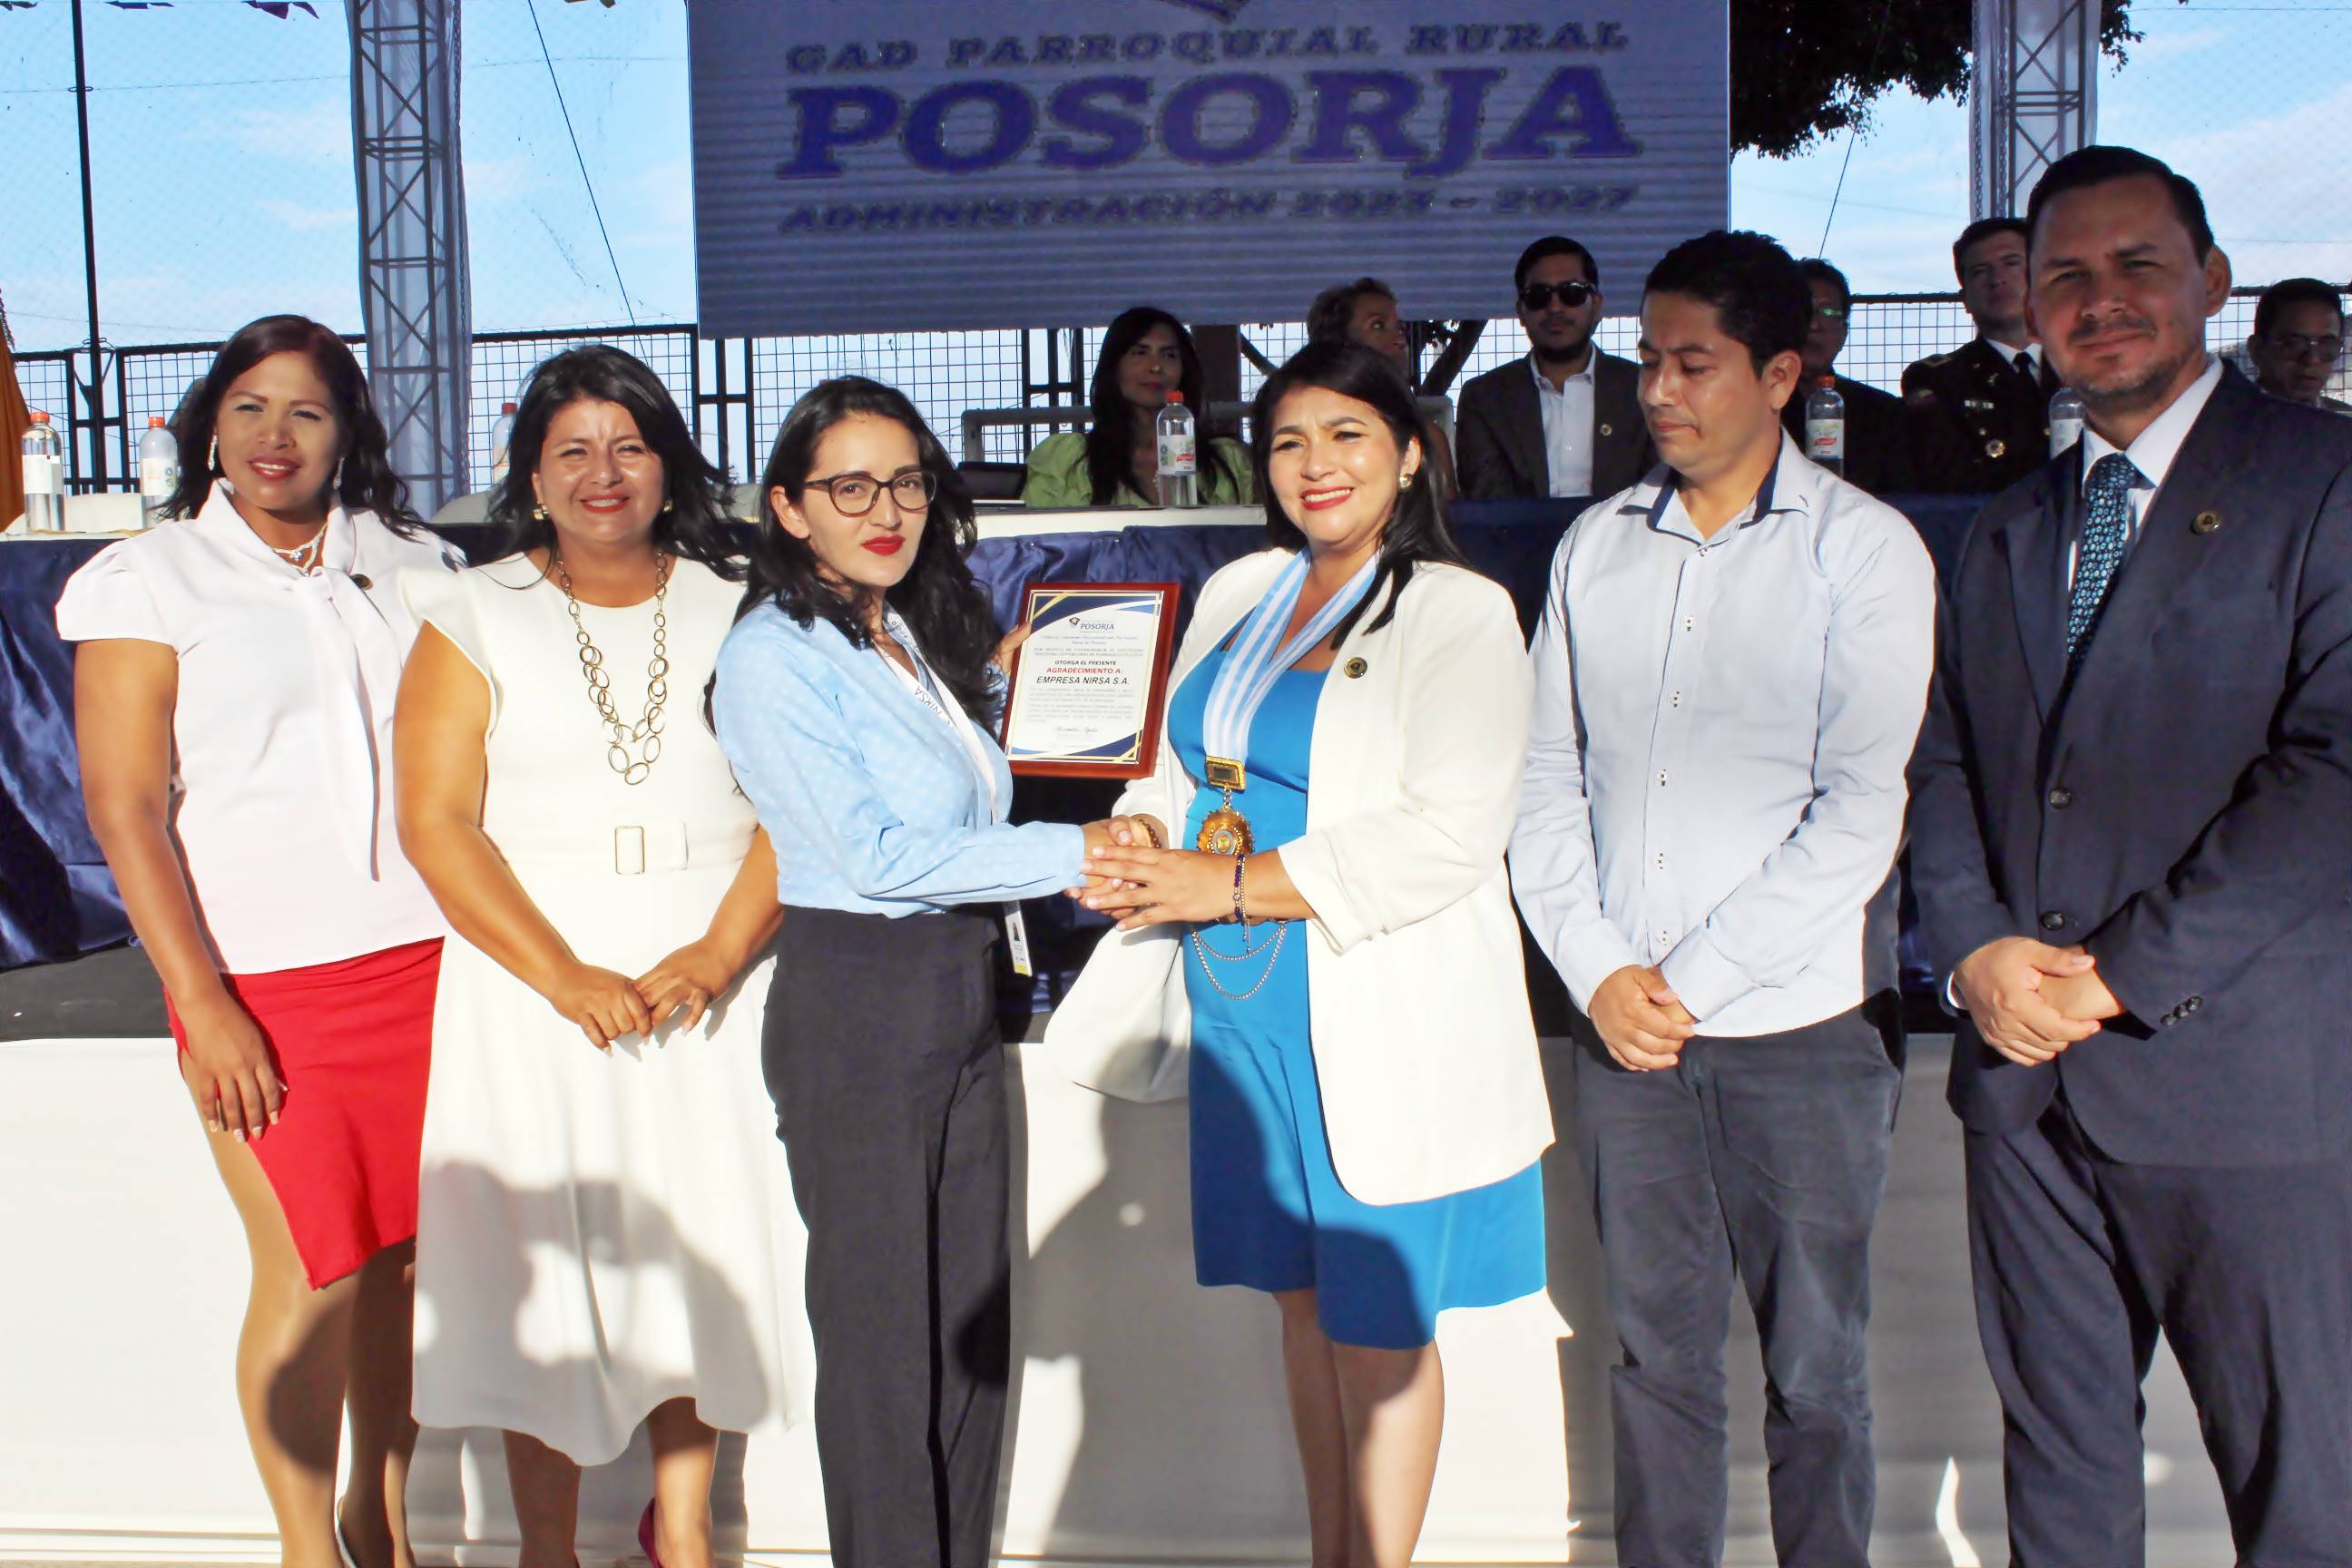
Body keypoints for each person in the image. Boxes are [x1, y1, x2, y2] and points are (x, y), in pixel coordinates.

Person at [1911, 144, 2352, 1565]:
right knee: (2062, 1489)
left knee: (2306, 1496)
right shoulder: (2011, 526)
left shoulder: (2328, 481)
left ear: (2213, 282)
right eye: (2066, 277)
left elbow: (2332, 773)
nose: (2100, 300)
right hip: (2025, 1090)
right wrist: (1976, 952)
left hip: (2251, 1092)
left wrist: (2114, 978)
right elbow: (1945, 761)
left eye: (2137, 266)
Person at [1049, 340, 1553, 1568]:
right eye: (1287, 441)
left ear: (1411, 454)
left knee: (1380, 1329)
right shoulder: (1243, 590)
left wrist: (1220, 883)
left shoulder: (1459, 611)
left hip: (1381, 1003)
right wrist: (1140, 836)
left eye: (1347, 435)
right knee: (1305, 1308)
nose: (1315, 464)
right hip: (1245, 1004)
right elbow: (1180, 769)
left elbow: (1449, 835)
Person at [1512, 230, 1936, 1567]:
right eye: (1648, 359)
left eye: (1693, 363)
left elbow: (1861, 811)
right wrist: (1599, 973)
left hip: (1799, 1033)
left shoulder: (1864, 551)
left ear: (1781, 373)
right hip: (1625, 1038)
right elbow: (1542, 781)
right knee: (1656, 1361)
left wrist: (1680, 985)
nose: (1658, 390)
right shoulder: (1594, 548)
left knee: (1816, 1371)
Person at [57, 314, 462, 1568]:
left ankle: (381, 1530)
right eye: (248, 407)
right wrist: (203, 1002)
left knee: (404, 1269)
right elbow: (124, 807)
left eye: (306, 411)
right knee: (311, 1271)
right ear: (209, 427)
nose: (273, 435)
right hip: (261, 981)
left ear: (347, 434)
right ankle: (304, 1550)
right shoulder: (147, 577)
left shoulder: (419, 562)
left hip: (431, 961)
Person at [394, 345, 804, 1568]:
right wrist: (564, 975)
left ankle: (685, 1529)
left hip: (708, 972)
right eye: (571, 450)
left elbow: (796, 803)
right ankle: (547, 1548)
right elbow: (436, 824)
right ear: (532, 475)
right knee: (544, 1267)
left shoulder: (747, 602)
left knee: (700, 1248)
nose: (602, 472)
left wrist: (719, 952)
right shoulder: (470, 611)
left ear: (669, 464)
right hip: (533, 980)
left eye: (628, 446)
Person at [712, 377, 1118, 1568]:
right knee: (886, 1354)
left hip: (954, 987)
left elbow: (951, 802)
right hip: (861, 1002)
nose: (885, 510)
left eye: (905, 481)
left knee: (968, 1343)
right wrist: (1082, 852)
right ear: (789, 507)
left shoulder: (899, 635)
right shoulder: (773, 655)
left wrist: (1004, 691)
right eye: (849, 487)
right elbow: (880, 859)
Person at [1455, 235, 1652, 501]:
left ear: (1596, 305)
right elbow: (1490, 504)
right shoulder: (1485, 398)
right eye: (1539, 296)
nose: (1555, 307)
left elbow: (1658, 494)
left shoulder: (1642, 389)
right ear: (1521, 311)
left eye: (1572, 293)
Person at [1021, 305, 1254, 507]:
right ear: (1114, 367)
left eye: (1169, 355)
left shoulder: (1228, 462)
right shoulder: (1067, 462)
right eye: (1140, 353)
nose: (1156, 367)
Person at [1903, 216, 2063, 492]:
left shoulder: (2084, 365)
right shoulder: (1940, 378)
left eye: (2011, 263)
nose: (1997, 279)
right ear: (1965, 298)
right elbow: (1948, 476)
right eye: (1979, 271)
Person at [1306, 275, 1459, 490]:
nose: (1399, 337)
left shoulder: (1427, 439)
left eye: (1400, 327)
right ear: (1339, 343)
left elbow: (1446, 509)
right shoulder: (1305, 432)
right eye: (1378, 325)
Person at [1784, 257, 1916, 493]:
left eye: (1828, 312)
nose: (1814, 325)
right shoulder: (1754, 408)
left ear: (1844, 332)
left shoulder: (1883, 413)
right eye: (1804, 311)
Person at [2245, 277, 2348, 410]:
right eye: (2293, 344)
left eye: (2326, 346)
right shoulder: (2225, 418)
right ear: (2257, 349)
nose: (2312, 359)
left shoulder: (2342, 418)